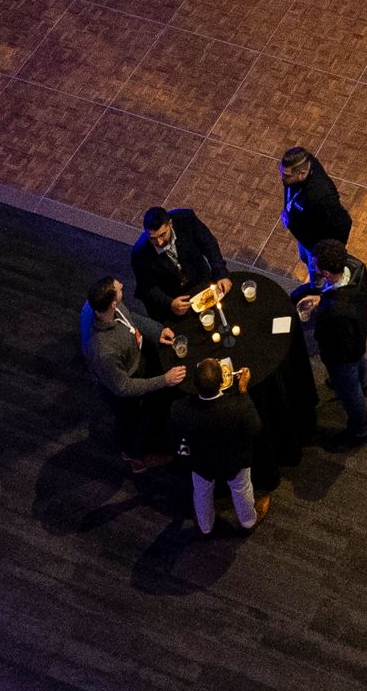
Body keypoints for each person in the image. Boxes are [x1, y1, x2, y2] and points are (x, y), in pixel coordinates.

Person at [82, 277, 187, 464]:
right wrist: (164, 380)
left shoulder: (108, 309)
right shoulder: (103, 350)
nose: (122, 284)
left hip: (136, 362)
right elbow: (123, 386)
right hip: (124, 390)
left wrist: (157, 331)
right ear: (113, 303)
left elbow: (130, 318)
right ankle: (135, 456)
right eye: (118, 287)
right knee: (134, 423)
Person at [296, 239, 367, 446]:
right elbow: (345, 297)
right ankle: (363, 386)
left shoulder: (333, 311)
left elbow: (325, 337)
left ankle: (359, 432)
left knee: (350, 392)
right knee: (359, 366)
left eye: (315, 265)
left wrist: (322, 309)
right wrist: (324, 299)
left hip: (342, 356)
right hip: (358, 335)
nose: (312, 267)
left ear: (327, 274)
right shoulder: (357, 267)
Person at [179, 359, 263, 534]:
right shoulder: (238, 408)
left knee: (201, 493)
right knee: (241, 489)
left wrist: (186, 456)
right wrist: (243, 390)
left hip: (201, 463)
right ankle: (248, 521)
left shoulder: (180, 409)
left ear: (195, 384)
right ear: (222, 383)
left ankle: (205, 526)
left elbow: (177, 439)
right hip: (234, 461)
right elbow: (255, 428)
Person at [131, 202, 229, 327]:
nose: (159, 242)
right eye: (152, 238)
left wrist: (221, 274)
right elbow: (147, 287)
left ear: (170, 224)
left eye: (162, 235)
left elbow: (209, 244)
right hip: (174, 297)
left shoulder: (186, 219)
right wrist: (169, 303)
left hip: (199, 278)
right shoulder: (140, 254)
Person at [279, 145, 352, 260]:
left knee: (316, 274)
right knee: (304, 258)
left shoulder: (323, 196)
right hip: (304, 237)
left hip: (317, 249)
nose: (282, 177)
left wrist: (329, 254)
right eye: (282, 172)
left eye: (286, 175)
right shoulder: (302, 163)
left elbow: (344, 223)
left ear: (302, 173)